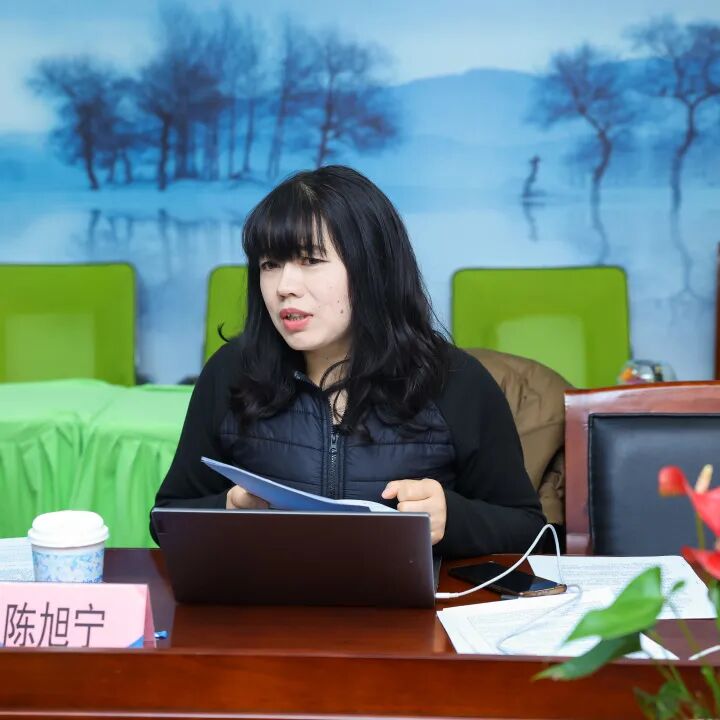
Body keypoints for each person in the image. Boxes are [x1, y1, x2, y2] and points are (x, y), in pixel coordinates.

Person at [151, 165, 545, 557]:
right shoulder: (233, 371)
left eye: (310, 260)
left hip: (404, 597)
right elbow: (165, 518)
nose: (284, 287)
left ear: (372, 268)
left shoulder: (455, 381)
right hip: (267, 595)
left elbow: (529, 529)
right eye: (270, 265)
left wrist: (452, 518)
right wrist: (227, 509)